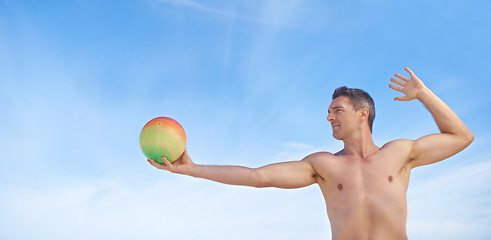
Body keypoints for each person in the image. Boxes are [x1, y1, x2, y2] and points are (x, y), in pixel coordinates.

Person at [148, 67, 474, 240]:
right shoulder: (322, 165)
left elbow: (462, 136)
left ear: (363, 114)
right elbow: (258, 176)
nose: (329, 117)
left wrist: (423, 94)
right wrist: (193, 169)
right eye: (329, 112)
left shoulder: (401, 153)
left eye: (337, 110)